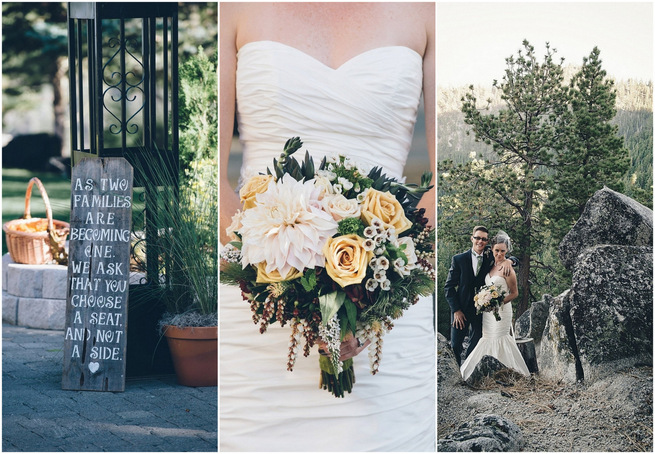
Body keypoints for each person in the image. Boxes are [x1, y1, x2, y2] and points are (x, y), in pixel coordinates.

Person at [219, 3, 435, 451]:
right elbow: (213, 178)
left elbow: (445, 181)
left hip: (390, 300)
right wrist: (281, 285)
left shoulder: (429, 10)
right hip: (258, 293)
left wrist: (376, 293)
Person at [459, 231, 530, 380]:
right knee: (487, 338)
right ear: (491, 249)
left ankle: (503, 374)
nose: (499, 254)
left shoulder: (507, 268)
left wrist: (497, 303)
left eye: (502, 251)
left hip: (501, 311)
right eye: (496, 250)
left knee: (499, 338)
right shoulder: (490, 264)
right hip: (487, 313)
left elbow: (515, 293)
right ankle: (484, 373)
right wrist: (484, 302)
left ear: (507, 251)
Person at [444, 226, 493, 365]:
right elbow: (448, 287)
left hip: (480, 310)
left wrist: (511, 261)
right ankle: (456, 375)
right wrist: (456, 310)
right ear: (472, 238)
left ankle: (468, 369)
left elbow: (507, 255)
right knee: (455, 346)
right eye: (477, 238)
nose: (480, 241)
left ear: (487, 241)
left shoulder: (490, 257)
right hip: (461, 309)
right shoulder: (459, 259)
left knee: (477, 342)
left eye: (484, 239)